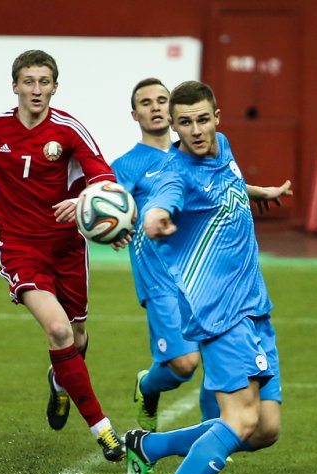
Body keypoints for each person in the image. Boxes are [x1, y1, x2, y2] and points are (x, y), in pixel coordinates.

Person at [0, 49, 125, 462]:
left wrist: (84, 201)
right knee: (58, 330)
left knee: (77, 337)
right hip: (20, 247)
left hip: (68, 248)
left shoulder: (69, 130)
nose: (36, 89)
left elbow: (105, 180)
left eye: (44, 82)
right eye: (28, 81)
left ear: (55, 87)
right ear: (14, 86)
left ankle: (60, 381)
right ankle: (103, 429)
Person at [123, 81, 283, 474]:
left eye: (201, 120)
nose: (195, 131)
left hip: (255, 307)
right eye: (185, 123)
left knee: (265, 430)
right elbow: (163, 200)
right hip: (219, 313)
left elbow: (224, 184)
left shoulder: (223, 147)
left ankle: (149, 445)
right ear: (174, 127)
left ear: (217, 117)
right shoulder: (176, 173)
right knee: (240, 420)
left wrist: (255, 192)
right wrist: (154, 218)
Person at [111, 78, 291, 432]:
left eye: (161, 99)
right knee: (184, 363)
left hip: (203, 275)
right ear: (135, 114)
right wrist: (111, 222)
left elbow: (215, 186)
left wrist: (255, 191)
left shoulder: (210, 146)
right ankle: (148, 387)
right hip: (160, 273)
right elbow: (109, 204)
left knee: (216, 351)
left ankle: (218, 433)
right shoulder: (129, 164)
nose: (155, 106)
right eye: (146, 102)